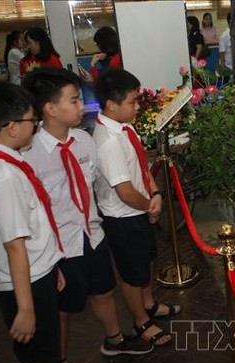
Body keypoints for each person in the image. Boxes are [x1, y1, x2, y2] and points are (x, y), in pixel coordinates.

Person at [21, 68, 153, 363]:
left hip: (91, 233)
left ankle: (115, 339)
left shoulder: (83, 141)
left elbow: (94, 183)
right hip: (58, 245)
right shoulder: (31, 153)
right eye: (75, 100)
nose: (83, 106)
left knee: (103, 290)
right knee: (62, 310)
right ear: (51, 109)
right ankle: (60, 361)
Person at [0, 81, 64, 363]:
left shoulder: (5, 160)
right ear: (11, 127)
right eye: (32, 121)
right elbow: (14, 245)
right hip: (25, 282)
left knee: (38, 356)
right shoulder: (4, 177)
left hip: (35, 272)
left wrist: (51, 265)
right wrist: (26, 309)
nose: (35, 127)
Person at [92, 68, 180, 347]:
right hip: (124, 217)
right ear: (111, 104)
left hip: (139, 209)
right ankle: (141, 321)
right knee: (132, 273)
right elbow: (125, 192)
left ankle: (149, 303)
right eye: (132, 101)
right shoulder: (107, 141)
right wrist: (151, 207)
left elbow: (140, 168)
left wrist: (154, 191)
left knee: (148, 261)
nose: (137, 106)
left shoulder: (125, 127)